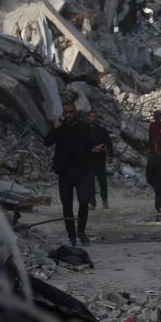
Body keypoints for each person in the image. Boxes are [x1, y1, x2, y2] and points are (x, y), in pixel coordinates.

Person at [43, 99, 95, 245]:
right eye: (66, 112)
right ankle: (72, 236)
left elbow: (92, 144)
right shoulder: (60, 127)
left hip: (81, 171)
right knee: (67, 205)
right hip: (65, 172)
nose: (69, 115)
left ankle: (81, 232)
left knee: (84, 202)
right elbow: (46, 142)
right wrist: (55, 128)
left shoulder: (84, 127)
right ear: (63, 113)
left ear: (75, 112)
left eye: (71, 112)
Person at [86, 111, 114, 209]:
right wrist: (91, 149)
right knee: (90, 181)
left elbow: (109, 143)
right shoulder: (85, 130)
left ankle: (104, 200)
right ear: (89, 118)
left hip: (100, 159)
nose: (93, 119)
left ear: (97, 118)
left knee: (102, 181)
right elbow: (81, 143)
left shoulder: (102, 130)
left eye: (94, 117)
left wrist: (110, 155)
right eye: (91, 117)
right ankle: (92, 202)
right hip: (89, 159)